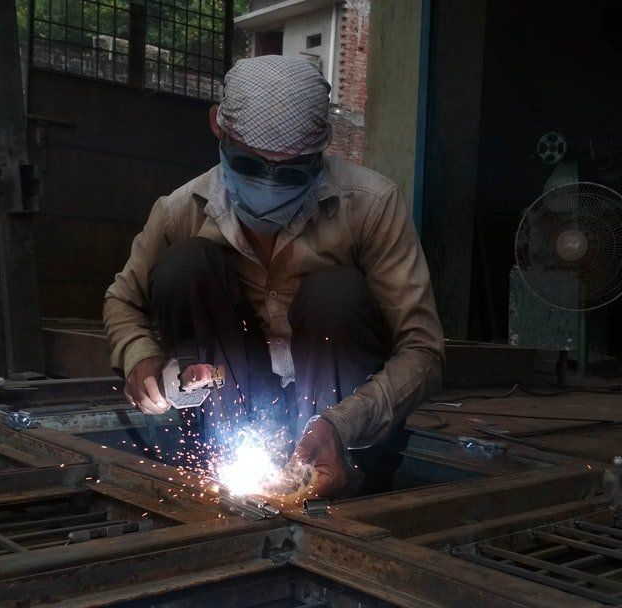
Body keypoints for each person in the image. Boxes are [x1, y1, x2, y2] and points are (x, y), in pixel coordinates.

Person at [104, 56, 444, 501]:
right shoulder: (179, 210)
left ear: (321, 149)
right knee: (185, 266)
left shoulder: (371, 205)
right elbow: (122, 302)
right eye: (249, 165)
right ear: (218, 128)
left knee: (333, 293)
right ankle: (219, 460)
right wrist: (140, 358)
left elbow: (423, 350)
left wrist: (341, 424)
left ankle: (340, 474)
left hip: (343, 421)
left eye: (290, 172)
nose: (268, 184)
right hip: (235, 406)